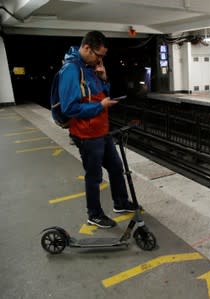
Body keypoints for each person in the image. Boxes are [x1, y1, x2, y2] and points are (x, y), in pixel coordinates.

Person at [58, 31, 137, 228]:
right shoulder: (71, 70)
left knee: (116, 168)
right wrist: (100, 106)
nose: (100, 59)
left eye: (102, 56)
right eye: (98, 55)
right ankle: (94, 214)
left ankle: (120, 203)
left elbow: (99, 94)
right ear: (86, 48)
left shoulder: (89, 67)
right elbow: (69, 107)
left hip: (101, 131)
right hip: (86, 134)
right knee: (94, 177)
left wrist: (104, 78)